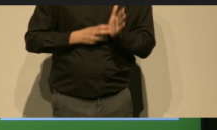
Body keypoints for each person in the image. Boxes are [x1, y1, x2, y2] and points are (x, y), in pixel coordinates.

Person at [25, 5, 155, 117]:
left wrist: (121, 36)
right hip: (69, 103)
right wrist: (73, 37)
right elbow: (33, 39)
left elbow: (146, 44)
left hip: (118, 101)